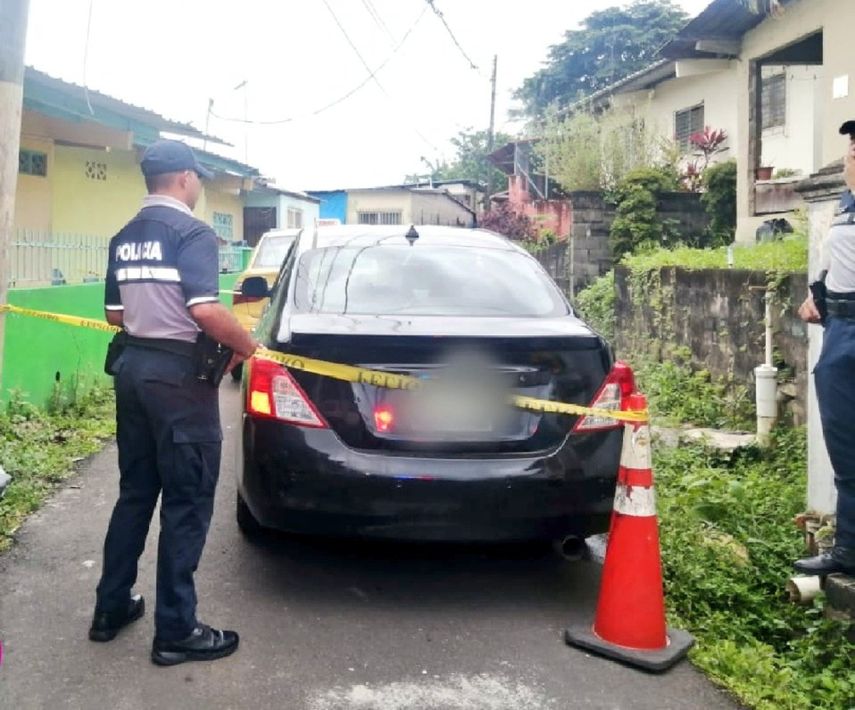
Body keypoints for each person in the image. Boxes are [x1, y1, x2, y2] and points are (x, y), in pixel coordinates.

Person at [88, 140, 257, 665]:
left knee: (136, 493)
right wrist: (247, 345)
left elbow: (116, 315)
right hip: (181, 381)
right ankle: (177, 631)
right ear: (184, 178)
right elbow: (205, 310)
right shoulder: (192, 232)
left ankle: (111, 608)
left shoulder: (124, 237)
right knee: (187, 501)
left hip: (134, 372)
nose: (199, 186)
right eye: (199, 178)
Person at [794, 121, 855, 577]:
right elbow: (830, 265)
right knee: (846, 445)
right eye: (853, 151)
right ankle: (849, 552)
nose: (852, 159)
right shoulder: (845, 208)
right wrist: (817, 295)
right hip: (843, 333)